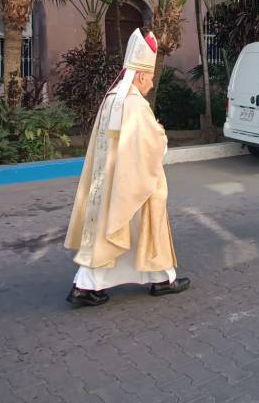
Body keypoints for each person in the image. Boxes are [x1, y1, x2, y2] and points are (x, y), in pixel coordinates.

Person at [64, 28, 190, 306]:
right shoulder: (134, 105)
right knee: (143, 223)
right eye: (151, 78)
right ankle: (159, 280)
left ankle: (94, 284)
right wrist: (160, 133)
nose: (152, 85)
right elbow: (148, 145)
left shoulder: (112, 100)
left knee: (114, 228)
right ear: (141, 75)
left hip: (110, 181)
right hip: (132, 183)